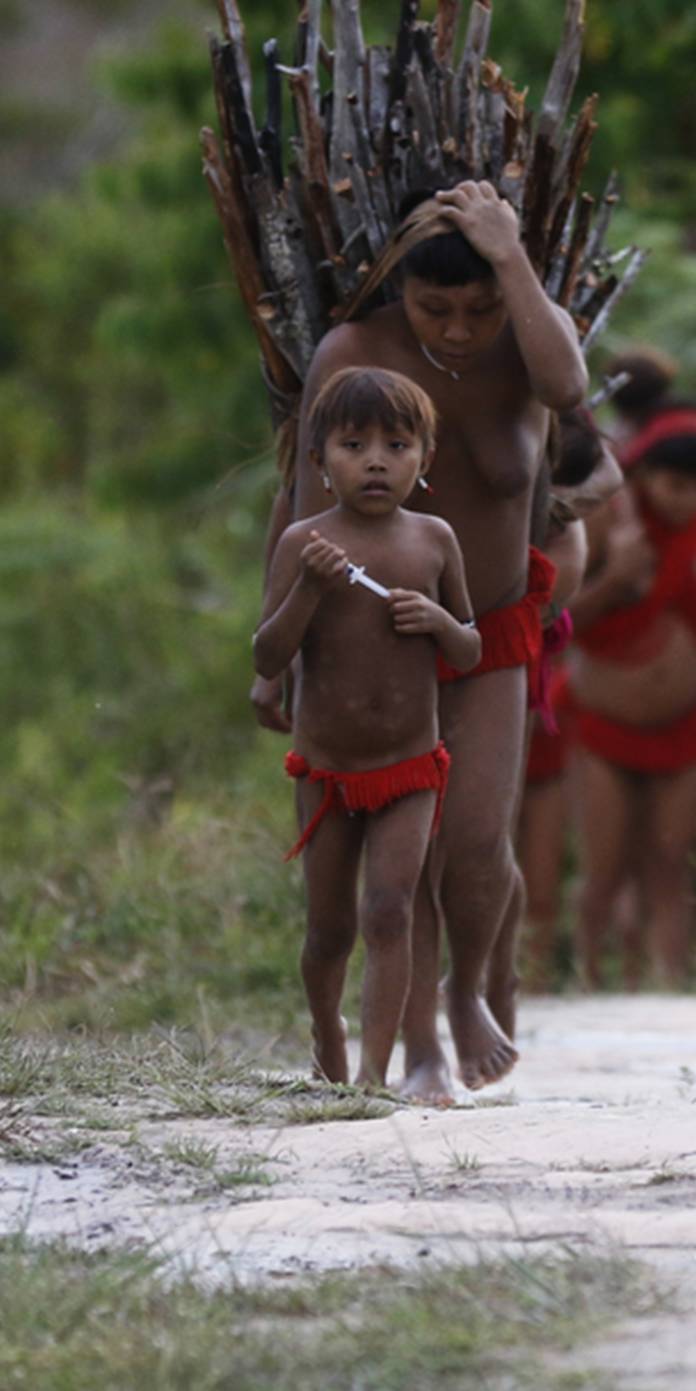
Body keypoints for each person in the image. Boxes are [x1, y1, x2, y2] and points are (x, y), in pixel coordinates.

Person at [254, 182, 589, 1103]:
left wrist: (509, 255)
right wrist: (283, 653)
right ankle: (420, 1050)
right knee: (404, 854)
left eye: (480, 309)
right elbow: (303, 508)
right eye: (435, 308)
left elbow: (569, 390)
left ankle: (467, 989)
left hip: (490, 628)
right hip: (376, 640)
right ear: (398, 289)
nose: (459, 330)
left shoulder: (531, 342)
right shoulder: (354, 352)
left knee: (476, 838)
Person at [254, 368, 481, 1092]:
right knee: (329, 929)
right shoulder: (304, 543)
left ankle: (373, 1077)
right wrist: (309, 588)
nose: (376, 462)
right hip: (328, 773)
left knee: (388, 910)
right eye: (354, 446)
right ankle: (328, 1031)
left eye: (396, 445)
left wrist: (439, 622)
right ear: (318, 460)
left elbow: (470, 649)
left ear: (425, 458)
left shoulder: (435, 541)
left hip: (410, 769)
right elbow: (267, 655)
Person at [559, 408, 696, 990]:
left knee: (671, 863)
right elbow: (562, 622)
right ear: (646, 476)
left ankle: (669, 985)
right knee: (604, 866)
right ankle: (588, 980)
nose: (687, 499)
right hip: (603, 723)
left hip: (687, 723)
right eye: (675, 485)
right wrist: (618, 576)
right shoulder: (607, 521)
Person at [511, 408, 609, 998]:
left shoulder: (572, 508)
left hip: (538, 708)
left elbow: (606, 472)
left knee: (541, 868)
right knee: (466, 851)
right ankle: (469, 973)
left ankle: (536, 975)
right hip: (474, 689)